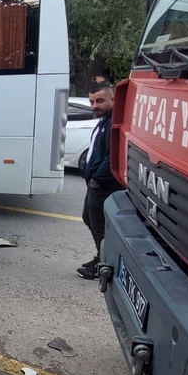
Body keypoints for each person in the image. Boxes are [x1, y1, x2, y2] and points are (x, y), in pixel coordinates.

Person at [78, 82, 120, 281]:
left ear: (113, 100)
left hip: (103, 187)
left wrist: (96, 179)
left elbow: (112, 157)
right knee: (89, 218)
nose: (95, 105)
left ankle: (104, 265)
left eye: (100, 101)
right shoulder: (104, 121)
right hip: (94, 185)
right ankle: (101, 258)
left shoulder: (113, 124)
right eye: (92, 101)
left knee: (99, 227)